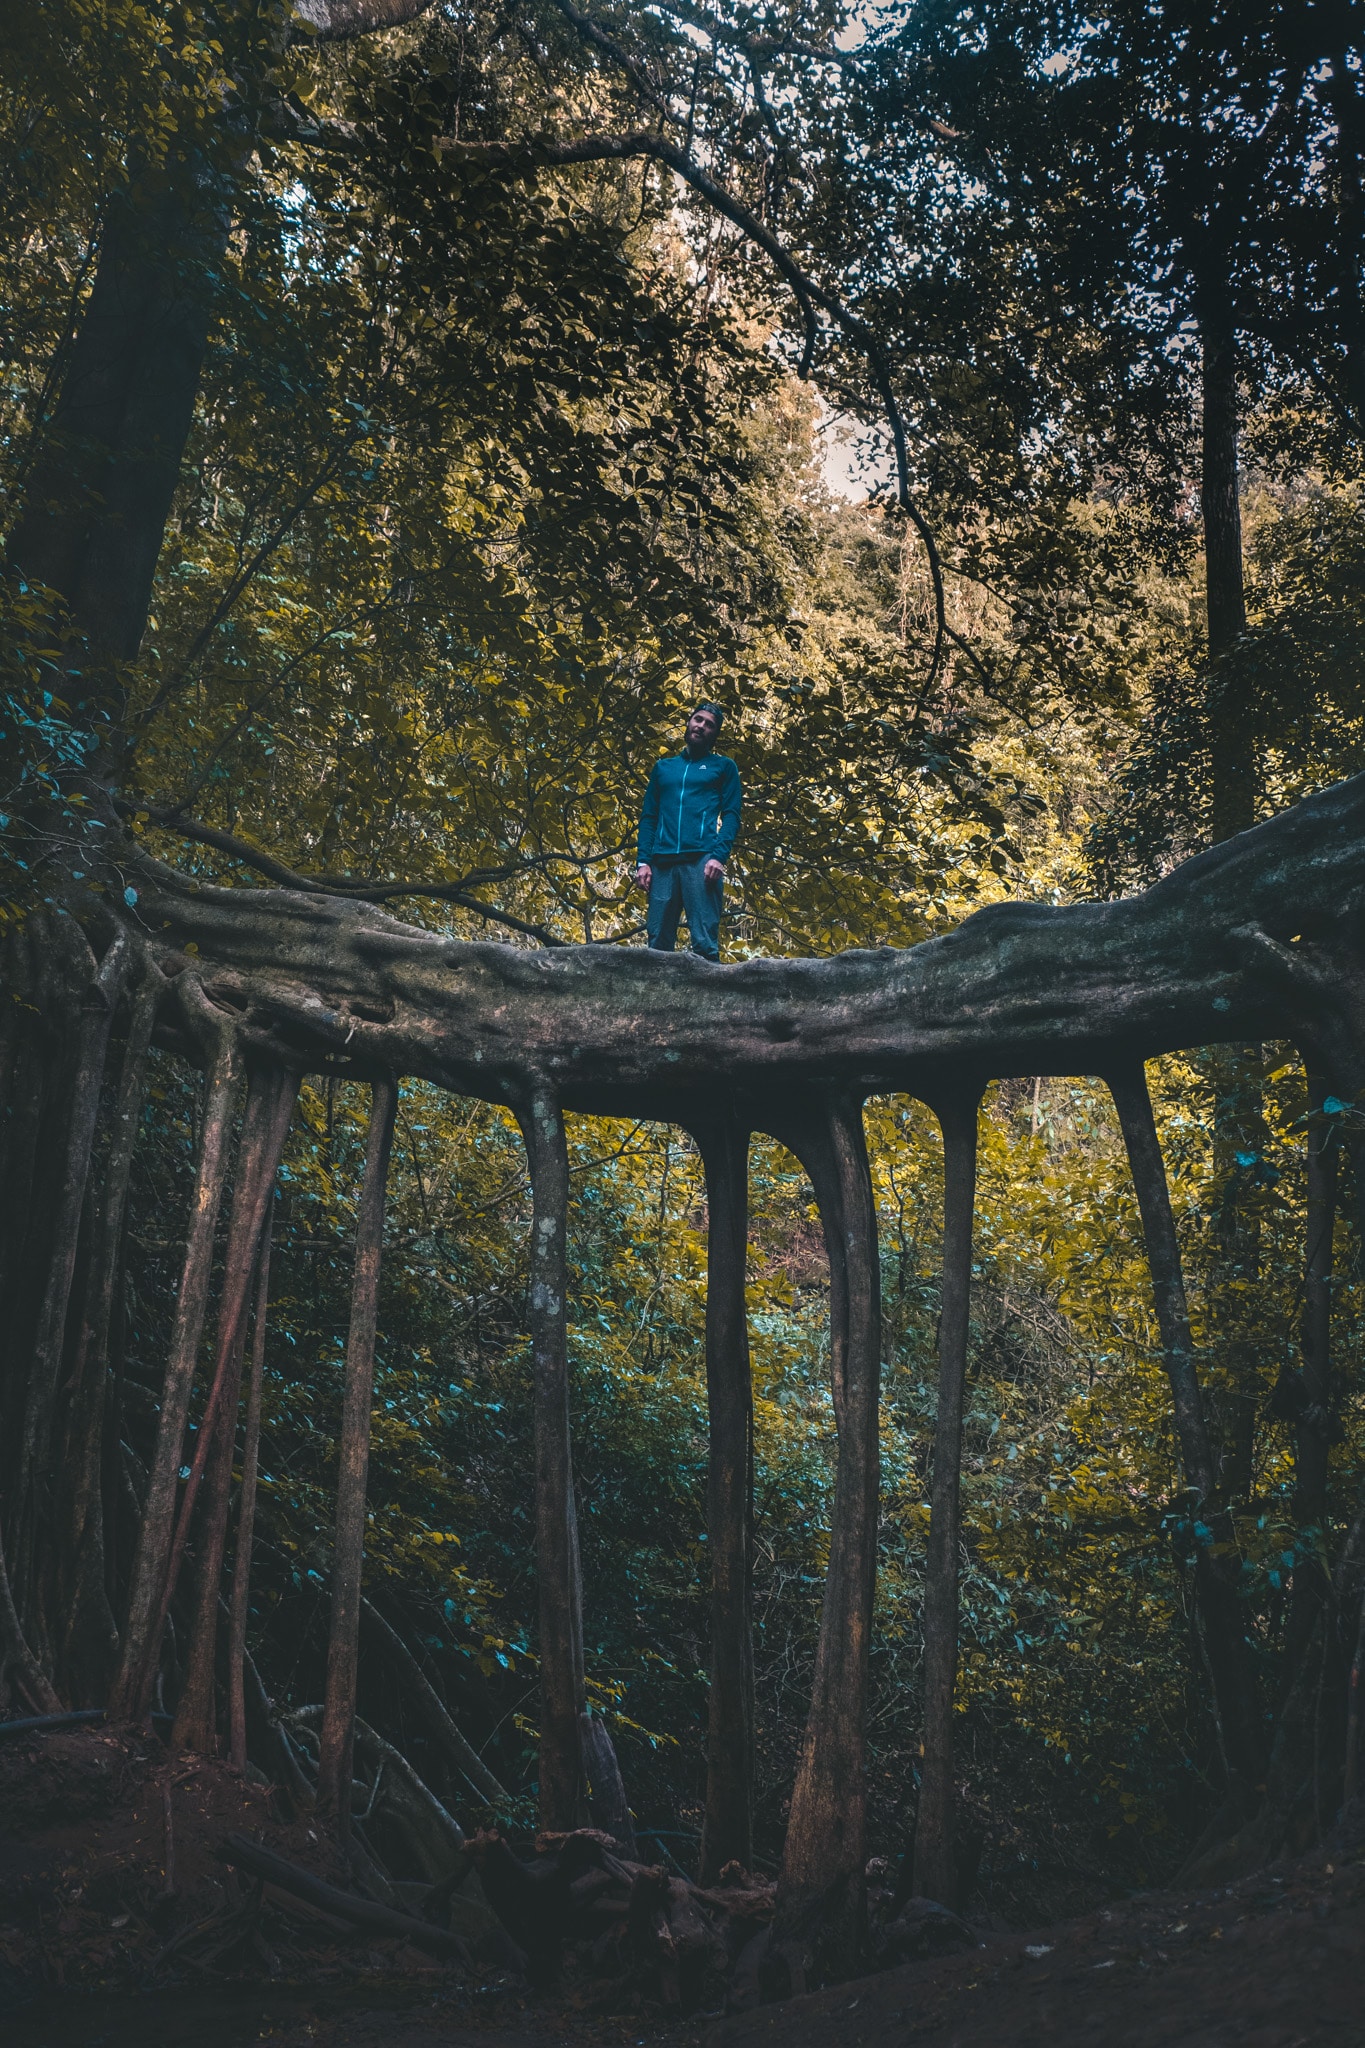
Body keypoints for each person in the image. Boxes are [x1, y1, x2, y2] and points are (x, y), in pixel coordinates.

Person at [634, 703, 742, 963]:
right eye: (698, 719)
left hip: (702, 861)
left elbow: (731, 815)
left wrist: (719, 856)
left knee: (704, 942)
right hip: (662, 863)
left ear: (714, 734)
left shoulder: (724, 767)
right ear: (689, 722)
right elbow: (649, 816)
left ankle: (712, 1001)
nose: (701, 726)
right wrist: (643, 860)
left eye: (709, 724)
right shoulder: (664, 768)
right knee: (657, 944)